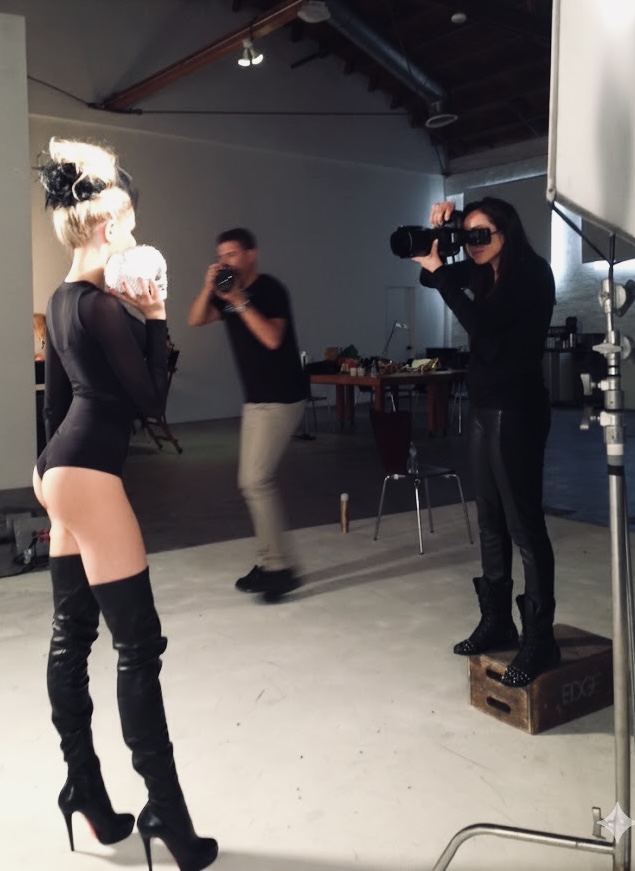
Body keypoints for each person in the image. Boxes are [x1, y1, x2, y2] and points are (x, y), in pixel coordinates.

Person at [34, 137, 218, 871]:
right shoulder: (102, 308)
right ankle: (166, 812)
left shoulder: (60, 300)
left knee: (71, 635)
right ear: (109, 227)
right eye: (132, 226)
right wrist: (158, 313)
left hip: (59, 469)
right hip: (87, 473)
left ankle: (83, 788)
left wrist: (50, 485)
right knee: (138, 646)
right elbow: (150, 404)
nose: (136, 237)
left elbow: (54, 407)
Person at [413, 197, 558, 687]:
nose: (473, 244)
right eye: (468, 235)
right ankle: (497, 621)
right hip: (483, 408)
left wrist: (443, 274)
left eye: (481, 235)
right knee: (490, 521)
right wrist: (443, 237)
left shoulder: (530, 274)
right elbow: (430, 278)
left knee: (524, 525)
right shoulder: (480, 272)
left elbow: (483, 325)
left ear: (506, 232)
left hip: (517, 411)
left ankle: (540, 637)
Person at [188, 228, 306, 602]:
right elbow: (195, 319)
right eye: (220, 256)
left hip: (283, 396)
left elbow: (271, 338)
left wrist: (239, 300)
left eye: (232, 254)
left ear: (251, 255)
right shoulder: (225, 292)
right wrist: (210, 287)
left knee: (256, 481)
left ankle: (278, 568)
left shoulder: (270, 290)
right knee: (251, 482)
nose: (225, 261)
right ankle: (270, 560)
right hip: (256, 399)